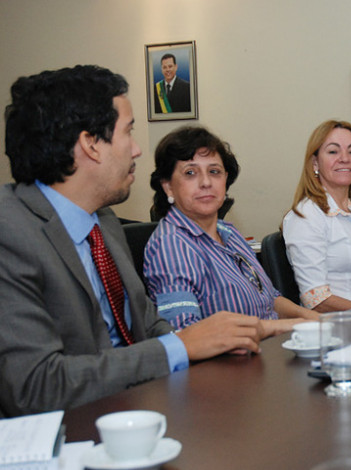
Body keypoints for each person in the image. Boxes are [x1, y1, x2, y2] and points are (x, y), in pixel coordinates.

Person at [0, 65, 266, 418]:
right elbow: (35, 387)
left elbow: (147, 324)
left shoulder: (104, 221)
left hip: (141, 409)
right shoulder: (10, 233)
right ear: (91, 144)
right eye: (128, 132)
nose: (138, 150)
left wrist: (210, 345)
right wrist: (181, 346)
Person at [144, 126, 318, 330]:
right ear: (168, 186)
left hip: (273, 343)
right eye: (190, 173)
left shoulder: (228, 232)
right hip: (237, 351)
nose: (206, 182)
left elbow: (270, 299)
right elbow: (186, 333)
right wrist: (295, 326)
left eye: (214, 172)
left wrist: (317, 319)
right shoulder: (171, 245)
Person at [282, 120, 351, 311]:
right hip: (338, 323)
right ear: (315, 163)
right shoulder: (306, 216)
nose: (345, 158)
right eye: (333, 151)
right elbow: (316, 300)